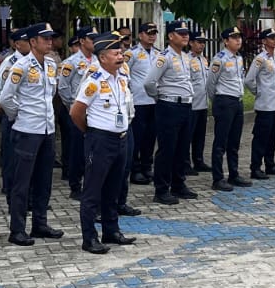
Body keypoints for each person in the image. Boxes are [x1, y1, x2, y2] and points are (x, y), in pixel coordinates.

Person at [0, 23, 65, 246]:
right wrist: (18, 115)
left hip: (47, 130)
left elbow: (50, 94)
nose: (49, 42)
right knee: (21, 183)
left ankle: (40, 224)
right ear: (33, 41)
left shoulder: (51, 64)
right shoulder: (21, 66)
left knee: (44, 180)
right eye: (45, 39)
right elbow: (5, 98)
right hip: (27, 131)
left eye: (51, 38)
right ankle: (17, 229)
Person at [70, 33, 138, 254]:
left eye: (120, 53)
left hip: (120, 139)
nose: (120, 56)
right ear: (102, 57)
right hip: (100, 140)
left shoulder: (121, 78)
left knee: (113, 189)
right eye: (115, 53)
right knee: (93, 191)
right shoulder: (94, 81)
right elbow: (76, 112)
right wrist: (91, 133)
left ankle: (111, 230)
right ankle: (89, 237)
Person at [148, 21, 198, 205]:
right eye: (181, 33)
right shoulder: (164, 57)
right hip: (169, 106)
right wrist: (160, 97)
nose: (186, 36)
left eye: (187, 33)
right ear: (170, 36)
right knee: (167, 149)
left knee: (182, 148)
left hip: (185, 106)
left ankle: (178, 184)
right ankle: (161, 189)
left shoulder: (185, 57)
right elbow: (149, 83)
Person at [0, 27, 28, 197]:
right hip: (13, 116)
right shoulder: (10, 62)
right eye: (27, 41)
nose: (31, 43)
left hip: (27, 118)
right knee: (11, 153)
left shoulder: (33, 62)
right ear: (17, 44)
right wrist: (10, 108)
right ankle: (9, 186)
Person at [207, 28, 248, 190]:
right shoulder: (219, 59)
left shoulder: (239, 58)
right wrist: (218, 101)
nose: (238, 40)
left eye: (239, 37)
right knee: (220, 142)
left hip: (237, 101)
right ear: (225, 41)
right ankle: (217, 178)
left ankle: (234, 174)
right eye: (234, 37)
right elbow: (210, 83)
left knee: (234, 141)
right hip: (225, 101)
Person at [58, 27, 96, 199]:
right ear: (82, 41)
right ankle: (75, 185)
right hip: (77, 112)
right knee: (77, 149)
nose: (94, 41)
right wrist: (72, 107)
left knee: (92, 149)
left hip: (94, 112)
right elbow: (63, 87)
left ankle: (90, 183)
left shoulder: (98, 59)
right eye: (91, 38)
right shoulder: (71, 62)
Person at [245, 29, 275, 175]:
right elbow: (249, 80)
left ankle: (270, 164)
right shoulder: (260, 59)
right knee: (261, 137)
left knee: (272, 135)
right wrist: (259, 92)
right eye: (271, 38)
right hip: (264, 105)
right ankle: (255, 167)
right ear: (264, 41)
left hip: (274, 104)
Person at [126, 22, 160, 185]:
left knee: (150, 136)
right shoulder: (131, 53)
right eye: (148, 33)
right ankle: (135, 169)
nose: (152, 36)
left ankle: (147, 166)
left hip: (154, 100)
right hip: (138, 101)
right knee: (137, 137)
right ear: (140, 35)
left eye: (154, 33)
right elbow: (124, 74)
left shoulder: (159, 53)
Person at [186, 31, 211, 177]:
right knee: (187, 136)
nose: (201, 45)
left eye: (203, 42)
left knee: (200, 136)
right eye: (199, 42)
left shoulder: (204, 60)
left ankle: (199, 161)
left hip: (203, 104)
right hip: (192, 104)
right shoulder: (187, 59)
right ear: (191, 43)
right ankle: (185, 163)